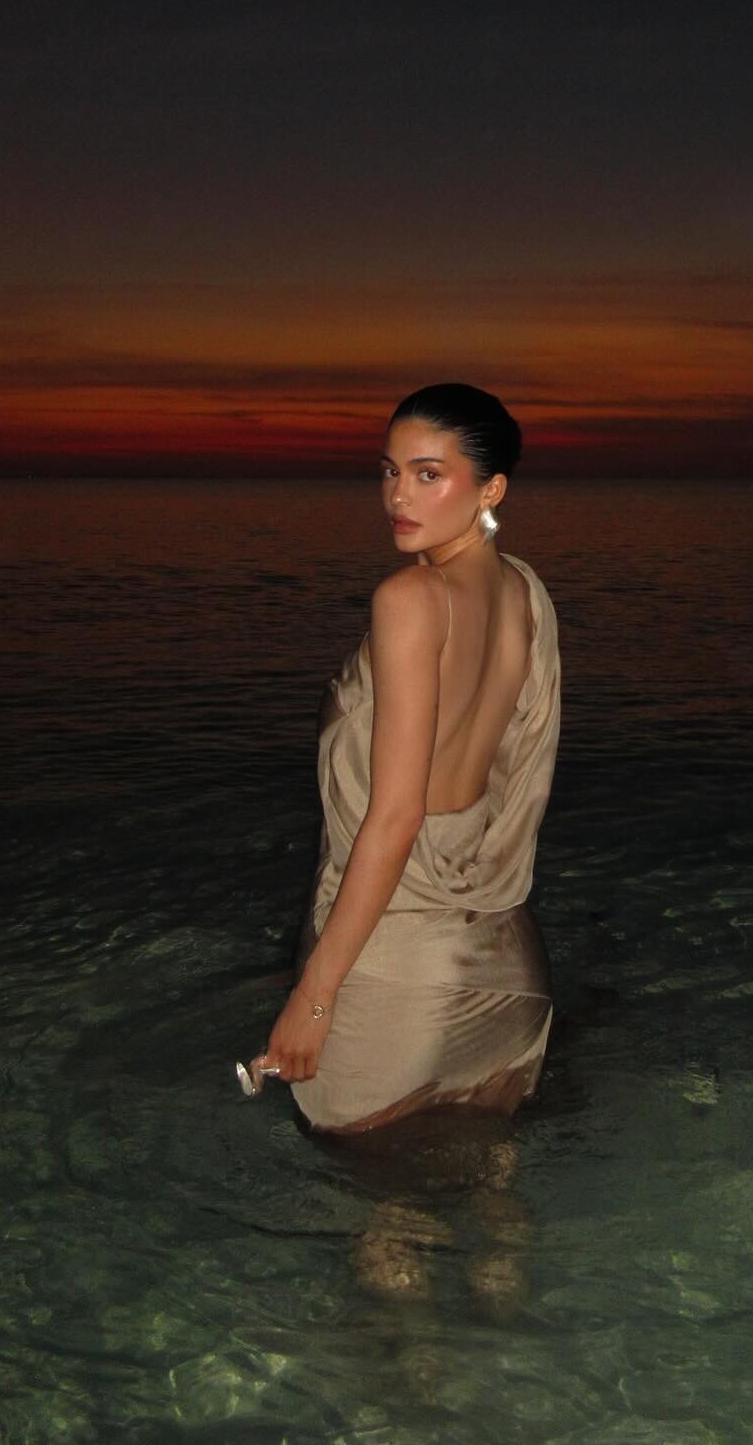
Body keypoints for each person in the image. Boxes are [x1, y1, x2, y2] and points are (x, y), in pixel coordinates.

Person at [255, 383, 560, 1136]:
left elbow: (395, 818)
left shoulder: (410, 600)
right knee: (489, 1191)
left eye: (429, 474)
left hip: (398, 971)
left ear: (491, 489)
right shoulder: (525, 592)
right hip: (501, 965)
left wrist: (313, 999)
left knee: (365, 1197)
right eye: (390, 471)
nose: (399, 495)